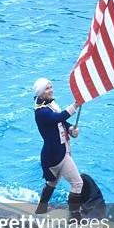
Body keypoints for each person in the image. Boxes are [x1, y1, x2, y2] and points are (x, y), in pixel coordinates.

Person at [33, 78, 83, 220]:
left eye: (51, 87)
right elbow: (58, 117)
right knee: (77, 183)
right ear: (41, 93)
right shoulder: (41, 112)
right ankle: (75, 219)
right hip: (56, 155)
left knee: (52, 183)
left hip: (58, 151)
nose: (51, 90)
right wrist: (75, 105)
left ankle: (40, 212)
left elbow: (60, 121)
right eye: (47, 88)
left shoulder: (51, 103)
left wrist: (70, 129)